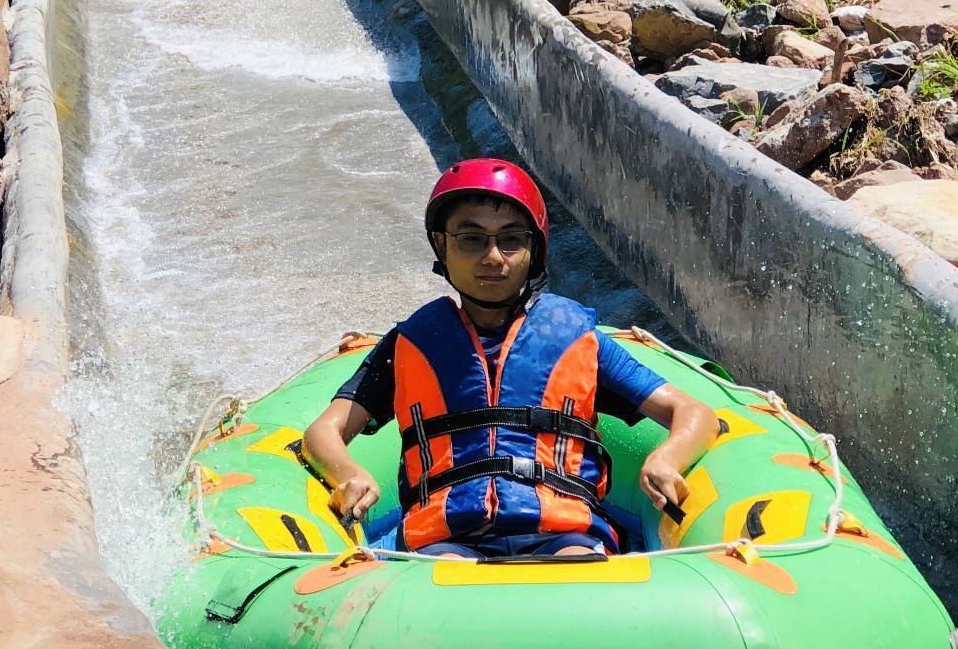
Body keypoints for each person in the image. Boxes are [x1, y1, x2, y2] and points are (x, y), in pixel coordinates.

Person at [302, 158, 716, 560]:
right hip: (445, 539)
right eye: (472, 238)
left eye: (511, 239)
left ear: (533, 251)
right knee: (441, 579)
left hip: (564, 532)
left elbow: (692, 411)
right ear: (442, 246)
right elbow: (324, 431)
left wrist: (667, 457)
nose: (494, 257)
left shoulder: (576, 337)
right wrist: (349, 474)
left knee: (578, 570)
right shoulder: (409, 343)